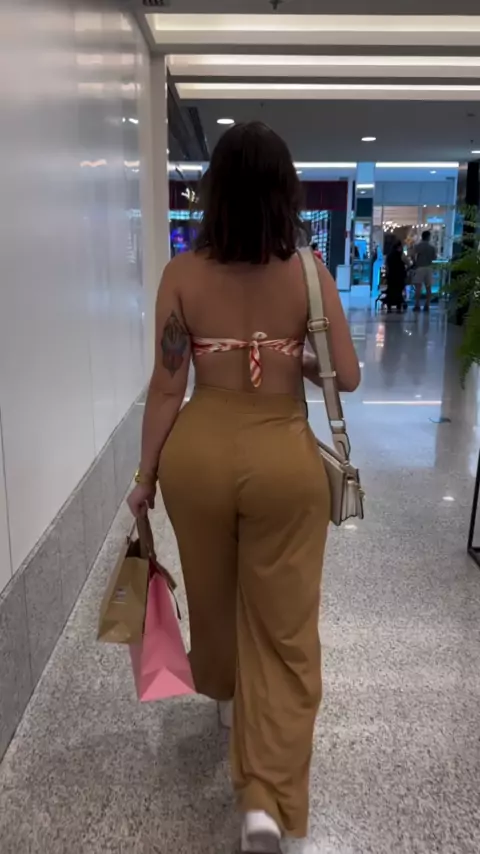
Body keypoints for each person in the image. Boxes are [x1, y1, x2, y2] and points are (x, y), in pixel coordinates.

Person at [127, 122, 360, 854]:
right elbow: (348, 376)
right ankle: (265, 800)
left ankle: (227, 697)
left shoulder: (182, 276)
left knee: (215, 590)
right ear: (286, 194)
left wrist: (143, 480)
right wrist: (292, 358)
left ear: (215, 193)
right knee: (284, 628)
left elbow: (167, 388)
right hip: (284, 461)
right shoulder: (308, 274)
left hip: (197, 459)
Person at [412, 230, 437, 312]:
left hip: (419, 267)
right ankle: (427, 305)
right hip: (429, 268)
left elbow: (412, 255)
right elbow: (434, 258)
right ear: (428, 237)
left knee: (418, 287)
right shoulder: (432, 248)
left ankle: (417, 305)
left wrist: (415, 263)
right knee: (428, 288)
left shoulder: (417, 246)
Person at [385, 239, 406, 312]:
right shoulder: (400, 255)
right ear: (399, 247)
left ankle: (389, 306)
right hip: (399, 276)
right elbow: (406, 263)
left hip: (391, 275)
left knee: (391, 291)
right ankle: (398, 305)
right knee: (398, 291)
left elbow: (387, 266)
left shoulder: (389, 255)